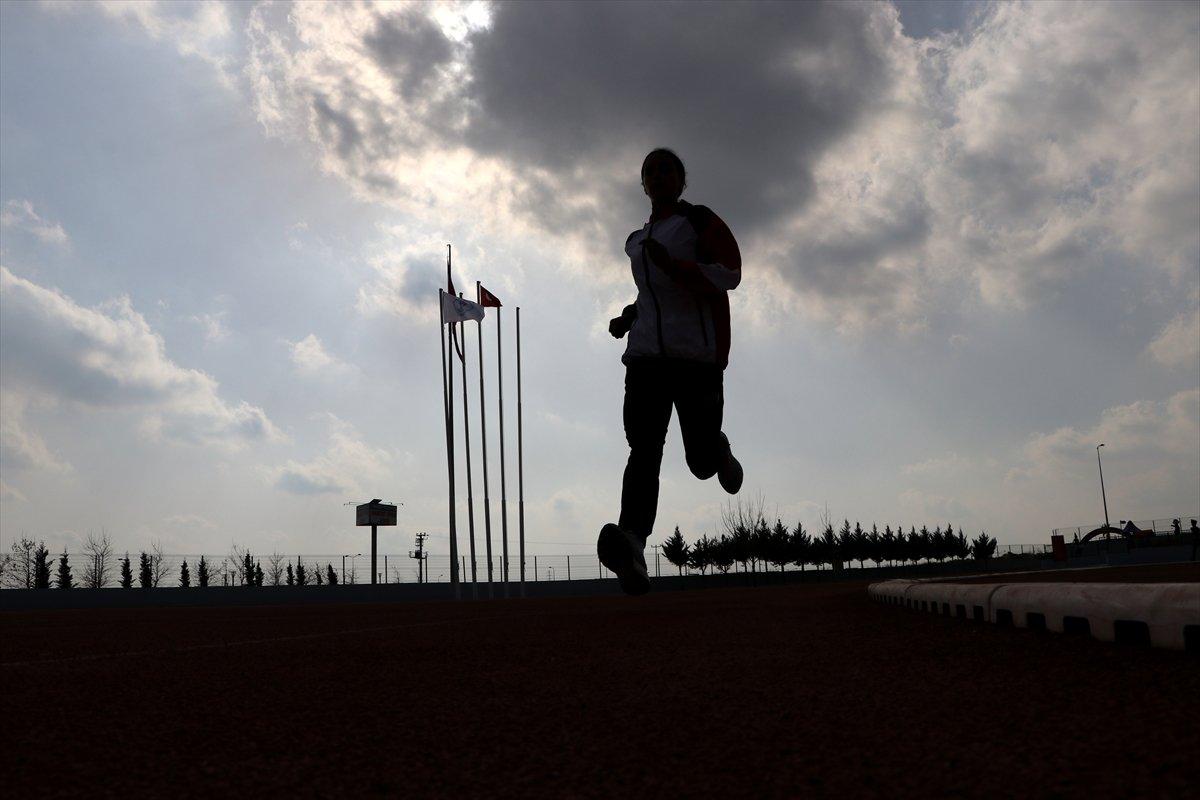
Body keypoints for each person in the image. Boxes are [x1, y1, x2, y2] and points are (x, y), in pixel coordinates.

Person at [597, 147, 743, 596]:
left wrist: (674, 266)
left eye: (667, 169)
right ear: (643, 185)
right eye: (650, 171)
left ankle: (716, 449)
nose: (658, 175)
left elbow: (730, 273)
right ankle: (633, 545)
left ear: (682, 180)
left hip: (695, 359)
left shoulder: (698, 222)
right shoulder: (636, 242)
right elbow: (651, 296)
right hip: (645, 361)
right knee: (643, 450)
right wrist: (628, 318)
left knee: (698, 463)